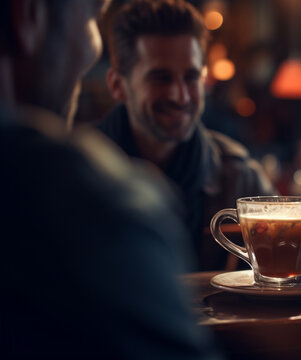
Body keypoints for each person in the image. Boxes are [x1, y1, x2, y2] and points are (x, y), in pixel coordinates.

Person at [0, 0, 221, 358]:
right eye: (90, 18)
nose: (93, 50)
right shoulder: (98, 201)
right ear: (27, 15)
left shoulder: (239, 174)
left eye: (191, 77)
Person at [98, 0, 275, 271]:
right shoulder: (75, 173)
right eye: (160, 78)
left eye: (191, 77)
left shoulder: (239, 177)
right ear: (118, 85)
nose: (180, 96)